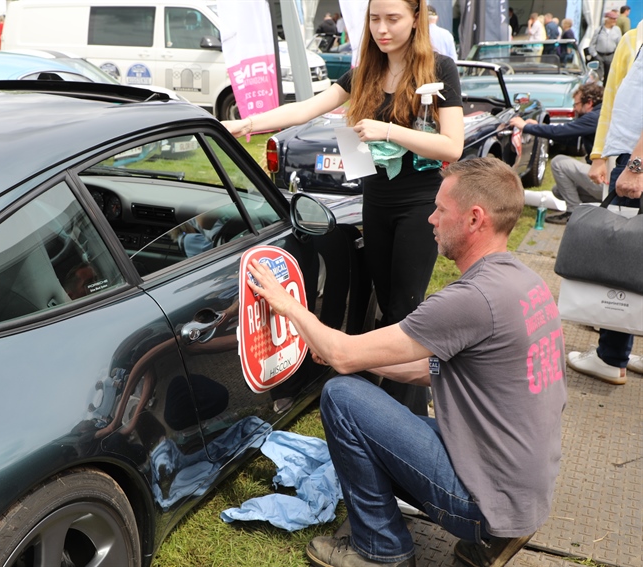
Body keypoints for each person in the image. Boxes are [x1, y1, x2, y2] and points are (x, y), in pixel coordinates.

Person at [245, 157, 567, 567]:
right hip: (523, 490)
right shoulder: (524, 283)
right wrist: (358, 357)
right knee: (366, 401)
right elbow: (437, 372)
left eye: (441, 209)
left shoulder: (473, 299)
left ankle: (381, 550)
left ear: (474, 219)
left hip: (485, 499)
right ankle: (495, 534)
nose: (431, 218)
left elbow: (343, 356)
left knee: (342, 398)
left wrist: (288, 305)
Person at [224, 0, 464, 416]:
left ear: (416, 19)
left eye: (393, 19)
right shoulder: (364, 71)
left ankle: (406, 415)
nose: (382, 29)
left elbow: (452, 146)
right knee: (385, 304)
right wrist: (246, 124)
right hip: (376, 200)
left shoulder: (440, 70)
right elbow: (306, 108)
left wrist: (388, 130)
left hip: (419, 203)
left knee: (405, 309)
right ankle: (389, 402)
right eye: (375, 19)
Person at [574, 26, 643, 386]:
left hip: (636, 161)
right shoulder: (632, 38)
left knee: (623, 259)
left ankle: (611, 357)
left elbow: (616, 99)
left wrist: (635, 164)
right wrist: (600, 155)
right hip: (630, 155)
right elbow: (614, 98)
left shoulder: (633, 39)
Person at [508, 83, 604, 224]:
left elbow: (560, 131)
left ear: (589, 103)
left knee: (559, 162)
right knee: (558, 191)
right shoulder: (600, 115)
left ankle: (573, 213)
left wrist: (526, 126)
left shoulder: (594, 117)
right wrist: (537, 127)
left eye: (576, 104)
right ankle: (592, 211)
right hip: (606, 180)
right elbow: (568, 138)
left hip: (605, 181)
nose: (574, 109)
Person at [590, 11, 622, 80]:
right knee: (598, 75)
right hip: (599, 55)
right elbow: (592, 44)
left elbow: (619, 45)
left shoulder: (617, 30)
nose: (615, 20)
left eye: (615, 19)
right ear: (607, 19)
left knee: (609, 76)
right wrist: (595, 55)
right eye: (613, 19)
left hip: (610, 56)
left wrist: (616, 56)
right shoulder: (599, 30)